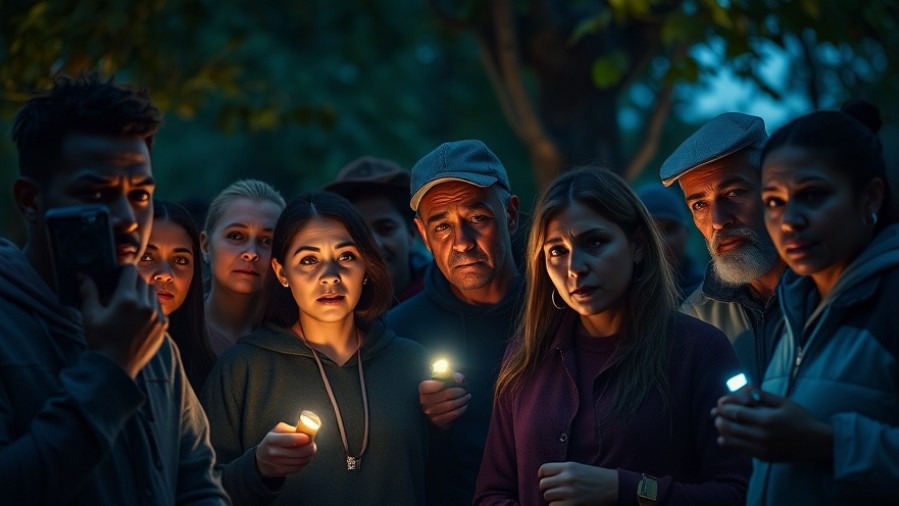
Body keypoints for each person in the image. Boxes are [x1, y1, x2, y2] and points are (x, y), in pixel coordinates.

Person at [0, 74, 227, 503]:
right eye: (97, 192)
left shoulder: (148, 330)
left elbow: (197, 481)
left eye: (140, 195)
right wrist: (111, 369)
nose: (126, 217)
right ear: (31, 200)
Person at [474, 167, 749, 505]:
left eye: (595, 242)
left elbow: (737, 493)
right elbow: (491, 493)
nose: (575, 267)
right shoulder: (526, 356)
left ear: (637, 245)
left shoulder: (699, 350)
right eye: (557, 251)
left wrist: (627, 489)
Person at [713, 102, 899, 505]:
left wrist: (826, 443)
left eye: (812, 195)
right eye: (775, 201)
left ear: (870, 197)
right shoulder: (798, 306)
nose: (789, 220)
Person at [201, 191, 430, 505]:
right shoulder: (243, 369)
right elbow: (198, 489)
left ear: (366, 265)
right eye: (309, 260)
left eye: (346, 256)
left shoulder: (413, 363)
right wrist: (258, 468)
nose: (330, 277)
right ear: (282, 273)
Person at [388, 139, 524, 505]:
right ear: (423, 236)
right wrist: (423, 426)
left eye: (477, 218)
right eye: (442, 226)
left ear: (510, 215)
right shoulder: (397, 334)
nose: (461, 243)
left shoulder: (560, 310)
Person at [660, 112, 785, 384]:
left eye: (734, 193)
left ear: (774, 191)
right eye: (699, 205)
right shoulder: (694, 320)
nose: (718, 221)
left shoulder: (833, 289)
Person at [322, 156, 428, 305]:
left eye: (385, 229)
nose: (373, 244)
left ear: (412, 233)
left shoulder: (452, 301)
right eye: (357, 233)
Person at [202, 179, 285, 357]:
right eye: (236, 236)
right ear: (206, 245)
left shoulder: (293, 342)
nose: (251, 253)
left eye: (267, 241)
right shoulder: (172, 332)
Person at [139, 200, 217, 391]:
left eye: (180, 260)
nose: (166, 274)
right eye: (147, 257)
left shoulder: (206, 371)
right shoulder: (88, 348)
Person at [636, 183, 704, 299]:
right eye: (651, 232)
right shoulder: (622, 294)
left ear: (686, 232)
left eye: (669, 229)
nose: (662, 242)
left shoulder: (710, 293)